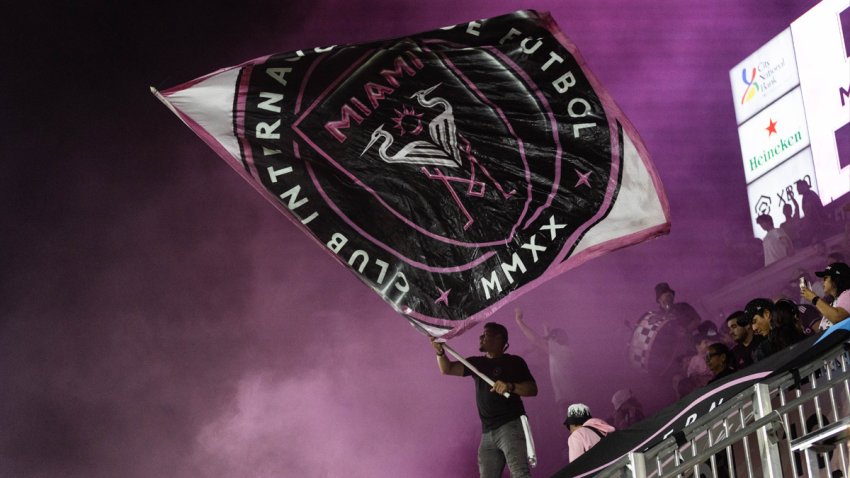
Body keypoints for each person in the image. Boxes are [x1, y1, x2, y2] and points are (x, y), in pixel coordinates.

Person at [431, 323, 538, 478]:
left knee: (519, 473)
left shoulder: (514, 362)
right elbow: (447, 369)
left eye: (486, 334)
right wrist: (440, 353)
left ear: (499, 339)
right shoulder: (477, 363)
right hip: (487, 432)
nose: (481, 337)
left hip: (511, 426)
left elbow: (532, 389)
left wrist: (510, 386)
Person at [514, 307, 574, 413]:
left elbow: (537, 340)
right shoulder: (563, 353)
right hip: (568, 400)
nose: (551, 340)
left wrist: (519, 321)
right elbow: (543, 343)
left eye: (553, 338)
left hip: (569, 401)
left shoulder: (562, 351)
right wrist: (547, 331)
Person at [801, 262, 850, 331]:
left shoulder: (848, 294)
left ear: (836, 279)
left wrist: (814, 298)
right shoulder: (833, 303)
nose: (823, 281)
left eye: (825, 278)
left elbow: (837, 318)